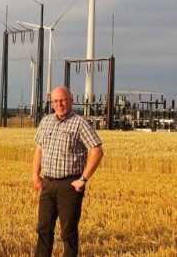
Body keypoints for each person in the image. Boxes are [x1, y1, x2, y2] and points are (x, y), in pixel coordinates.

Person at [32, 86, 104, 257]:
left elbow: (97, 151)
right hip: (48, 183)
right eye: (56, 101)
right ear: (52, 103)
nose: (60, 104)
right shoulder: (46, 121)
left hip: (69, 185)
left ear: (71, 101)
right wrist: (35, 174)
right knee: (43, 228)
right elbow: (39, 149)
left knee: (68, 232)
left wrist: (83, 179)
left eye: (63, 100)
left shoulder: (80, 123)